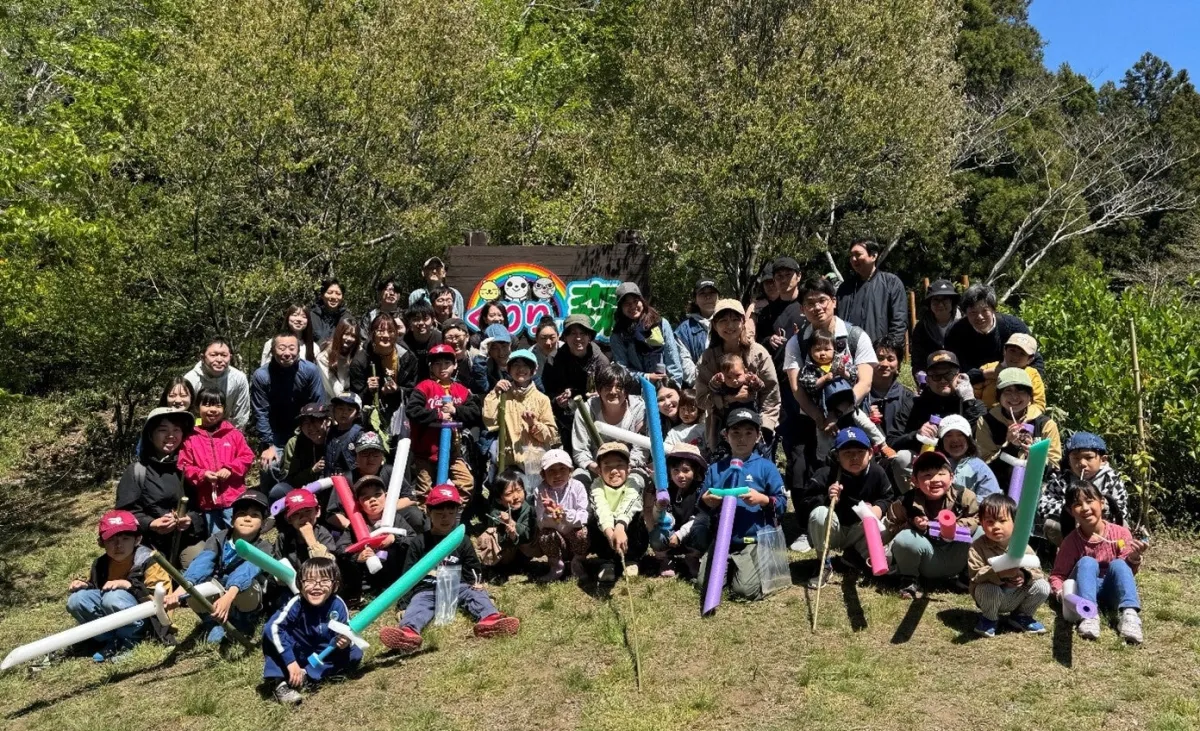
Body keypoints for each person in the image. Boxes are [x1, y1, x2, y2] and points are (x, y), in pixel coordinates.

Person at [379, 484, 519, 652]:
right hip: (427, 590)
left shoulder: (462, 540)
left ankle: (490, 619)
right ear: (429, 512)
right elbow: (408, 575)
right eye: (439, 514)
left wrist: (477, 584)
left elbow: (472, 566)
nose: (445, 518)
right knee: (418, 606)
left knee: (475, 594)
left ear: (457, 513)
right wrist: (403, 604)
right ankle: (408, 633)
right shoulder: (419, 542)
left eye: (451, 513)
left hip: (458, 586)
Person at [783, 277, 876, 491]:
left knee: (855, 476)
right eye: (809, 303)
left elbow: (865, 383)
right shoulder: (796, 343)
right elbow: (797, 388)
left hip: (852, 414)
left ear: (834, 301)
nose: (817, 307)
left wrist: (836, 413)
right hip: (812, 419)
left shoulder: (856, 336)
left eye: (822, 300)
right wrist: (820, 418)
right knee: (806, 475)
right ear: (802, 309)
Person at [698, 408, 787, 602]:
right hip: (723, 540)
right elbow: (702, 502)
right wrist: (707, 501)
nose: (742, 439)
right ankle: (729, 566)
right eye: (736, 433)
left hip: (752, 540)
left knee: (745, 591)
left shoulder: (766, 467)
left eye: (748, 433)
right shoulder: (716, 468)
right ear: (726, 435)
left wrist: (763, 500)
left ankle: (747, 568)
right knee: (703, 584)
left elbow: (782, 504)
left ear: (758, 436)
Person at [164, 490, 274, 643]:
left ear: (263, 523)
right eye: (242, 513)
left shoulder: (264, 547)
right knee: (194, 589)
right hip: (219, 589)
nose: (247, 518)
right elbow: (203, 563)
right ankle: (211, 621)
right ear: (232, 519)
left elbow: (248, 570)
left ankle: (243, 620)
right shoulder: (218, 538)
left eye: (255, 515)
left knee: (249, 586)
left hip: (240, 592)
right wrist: (180, 590)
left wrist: (229, 596)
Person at [66, 510, 174, 660]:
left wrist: (129, 586)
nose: (118, 545)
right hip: (115, 611)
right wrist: (84, 586)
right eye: (111, 540)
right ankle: (111, 640)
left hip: (147, 619)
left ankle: (132, 640)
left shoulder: (149, 560)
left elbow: (161, 600)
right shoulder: (101, 563)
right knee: (77, 600)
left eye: (125, 538)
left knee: (113, 597)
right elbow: (96, 589)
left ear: (137, 539)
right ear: (101, 543)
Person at [1050, 482, 1148, 644]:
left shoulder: (1120, 533)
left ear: (1102, 503)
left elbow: (1127, 573)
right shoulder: (1071, 542)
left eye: (1090, 501)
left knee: (1119, 564)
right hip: (1083, 593)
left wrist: (1134, 557)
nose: (1085, 508)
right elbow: (1057, 576)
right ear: (1070, 511)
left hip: (1111, 591)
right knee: (1087, 562)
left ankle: (1130, 615)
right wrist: (1062, 594)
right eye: (1077, 504)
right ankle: (1089, 615)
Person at [802, 427, 895, 585]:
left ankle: (853, 557)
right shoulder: (826, 473)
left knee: (889, 526)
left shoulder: (877, 472)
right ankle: (824, 563)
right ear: (837, 456)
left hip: (860, 531)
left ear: (870, 453)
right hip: (834, 530)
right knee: (819, 514)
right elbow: (805, 505)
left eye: (860, 452)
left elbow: (888, 497)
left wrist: (877, 509)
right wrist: (827, 499)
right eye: (847, 453)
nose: (854, 458)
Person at [263, 557, 362, 705]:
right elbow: (273, 627)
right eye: (309, 581)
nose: (317, 586)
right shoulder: (296, 603)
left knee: (354, 653)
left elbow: (346, 631)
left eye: (324, 581)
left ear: (335, 586)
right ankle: (279, 682)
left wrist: (345, 641)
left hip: (321, 652)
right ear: (300, 584)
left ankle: (306, 676)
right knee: (272, 637)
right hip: (297, 651)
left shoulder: (338, 604)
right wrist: (291, 662)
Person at [115, 408, 206, 562]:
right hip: (149, 544)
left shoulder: (192, 468)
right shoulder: (137, 471)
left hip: (186, 540)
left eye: (176, 430)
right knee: (151, 571)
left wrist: (190, 520)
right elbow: (124, 514)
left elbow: (202, 508)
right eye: (163, 430)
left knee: (201, 560)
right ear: (150, 435)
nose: (171, 435)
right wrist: (151, 524)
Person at [886, 451, 980, 599]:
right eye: (927, 475)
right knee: (905, 538)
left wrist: (954, 527)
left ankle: (967, 577)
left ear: (951, 477)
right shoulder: (906, 502)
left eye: (941, 474)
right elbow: (892, 526)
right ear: (915, 480)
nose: (935, 480)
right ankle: (910, 579)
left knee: (982, 532)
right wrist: (913, 525)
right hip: (927, 558)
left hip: (957, 553)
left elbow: (976, 518)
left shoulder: (965, 496)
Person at [890, 350, 987, 489]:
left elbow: (983, 432)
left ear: (958, 376)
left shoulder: (969, 402)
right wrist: (916, 435)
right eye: (936, 376)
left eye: (949, 375)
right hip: (925, 467)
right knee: (903, 457)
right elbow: (892, 441)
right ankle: (913, 500)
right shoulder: (914, 404)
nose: (943, 380)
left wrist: (969, 401)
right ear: (927, 379)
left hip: (960, 463)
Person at [696, 299, 781, 450]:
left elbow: (771, 394)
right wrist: (726, 399)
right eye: (723, 321)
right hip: (720, 430)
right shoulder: (707, 358)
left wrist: (765, 427)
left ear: (743, 322)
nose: (730, 326)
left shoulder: (759, 353)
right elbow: (701, 399)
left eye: (735, 320)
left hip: (756, 429)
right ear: (714, 325)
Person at [968, 493, 1050, 637]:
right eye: (990, 521)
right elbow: (975, 574)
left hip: (1017, 594)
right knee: (987, 589)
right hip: (991, 595)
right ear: (981, 523)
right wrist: (998, 573)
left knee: (1042, 586)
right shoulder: (978, 547)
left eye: (1002, 520)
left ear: (1015, 522)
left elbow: (1037, 570)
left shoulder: (1021, 545)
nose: (996, 526)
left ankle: (1021, 616)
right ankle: (989, 618)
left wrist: (1024, 575)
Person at [406, 343, 481, 501]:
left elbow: (475, 412)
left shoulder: (461, 390)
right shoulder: (424, 387)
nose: (442, 367)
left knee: (466, 483)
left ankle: (451, 513)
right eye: (437, 364)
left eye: (447, 363)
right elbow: (412, 410)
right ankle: (426, 516)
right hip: (425, 452)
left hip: (453, 451)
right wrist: (438, 414)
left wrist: (456, 410)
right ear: (431, 367)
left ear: (455, 365)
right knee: (424, 490)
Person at [178, 388, 256, 534]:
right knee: (216, 537)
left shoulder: (234, 434)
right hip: (208, 501)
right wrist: (203, 474)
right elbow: (184, 465)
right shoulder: (191, 438)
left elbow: (247, 457)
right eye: (207, 404)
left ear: (224, 409)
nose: (213, 409)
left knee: (239, 535)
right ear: (197, 407)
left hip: (234, 498)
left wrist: (230, 469)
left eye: (218, 405)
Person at [976, 368, 1062, 491]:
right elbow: (985, 466)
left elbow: (1055, 467)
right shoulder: (986, 422)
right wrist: (1009, 446)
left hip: (1037, 490)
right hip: (998, 489)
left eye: (1021, 390)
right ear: (999, 396)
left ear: (1029, 396)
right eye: (1008, 391)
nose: (1014, 397)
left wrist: (1035, 455)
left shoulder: (1045, 424)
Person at [251, 333, 327, 473]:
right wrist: (268, 445)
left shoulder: (310, 370)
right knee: (270, 465)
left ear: (298, 350)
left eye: (292, 348)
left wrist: (314, 432)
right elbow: (261, 413)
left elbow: (318, 404)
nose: (287, 353)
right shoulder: (261, 376)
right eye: (281, 348)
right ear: (273, 351)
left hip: (306, 429)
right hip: (275, 434)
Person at [1038, 432, 1129, 547]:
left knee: (1123, 526)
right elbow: (1043, 506)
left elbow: (1122, 511)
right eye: (1076, 458)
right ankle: (1069, 551)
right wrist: (1072, 509)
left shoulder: (1111, 480)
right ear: (1068, 460)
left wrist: (1102, 508)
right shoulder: (1061, 481)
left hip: (1104, 529)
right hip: (1071, 531)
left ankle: (1113, 551)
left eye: (1089, 457)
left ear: (1103, 459)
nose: (1082, 463)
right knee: (1051, 524)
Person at [571, 364, 649, 484]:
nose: (613, 391)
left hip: (629, 466)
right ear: (599, 390)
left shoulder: (639, 408)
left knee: (638, 480)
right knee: (578, 478)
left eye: (619, 387)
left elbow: (641, 448)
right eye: (608, 387)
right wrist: (595, 467)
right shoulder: (585, 410)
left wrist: (628, 466)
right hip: (596, 466)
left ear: (626, 391)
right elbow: (580, 450)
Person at [943, 284, 1044, 375]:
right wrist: (985, 374)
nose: (980, 317)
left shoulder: (1013, 327)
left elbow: (1036, 360)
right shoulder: (955, 333)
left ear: (994, 310)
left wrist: (1025, 381)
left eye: (984, 311)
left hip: (1012, 381)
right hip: (972, 384)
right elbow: (952, 369)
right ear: (965, 313)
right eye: (973, 312)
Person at [543, 315, 609, 453]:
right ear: (565, 337)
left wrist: (600, 396)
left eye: (582, 333)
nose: (578, 338)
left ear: (589, 337)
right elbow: (546, 393)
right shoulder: (553, 360)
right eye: (573, 333)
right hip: (565, 420)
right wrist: (557, 400)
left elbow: (610, 391)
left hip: (596, 418)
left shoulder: (601, 361)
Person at [482, 349, 558, 471]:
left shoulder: (542, 399)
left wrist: (534, 424)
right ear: (509, 369)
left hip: (535, 463)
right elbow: (490, 421)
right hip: (508, 462)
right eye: (516, 365)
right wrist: (495, 392)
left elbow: (550, 436)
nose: (521, 369)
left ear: (533, 370)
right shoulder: (502, 394)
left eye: (525, 365)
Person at [350, 313, 417, 435]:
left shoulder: (407, 357)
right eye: (380, 331)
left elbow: (413, 389)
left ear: (396, 334)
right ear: (372, 334)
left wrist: (397, 390)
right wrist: (369, 390)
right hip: (371, 419)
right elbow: (356, 398)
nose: (386, 335)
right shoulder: (360, 361)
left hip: (400, 414)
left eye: (390, 331)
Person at [588, 442, 646, 582]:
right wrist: (610, 533)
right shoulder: (596, 485)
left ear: (628, 468)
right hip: (609, 526)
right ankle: (607, 560)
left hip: (625, 524)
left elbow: (630, 503)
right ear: (599, 470)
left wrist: (620, 527)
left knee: (637, 517)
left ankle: (632, 558)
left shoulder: (634, 482)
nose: (614, 470)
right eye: (607, 466)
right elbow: (601, 509)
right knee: (594, 519)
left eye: (619, 465)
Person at [608, 282, 685, 387]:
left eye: (635, 301)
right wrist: (646, 377)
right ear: (620, 308)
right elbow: (622, 369)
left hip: (665, 387)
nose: (632, 306)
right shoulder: (618, 335)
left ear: (642, 301)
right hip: (636, 390)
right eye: (626, 303)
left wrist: (674, 388)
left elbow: (673, 360)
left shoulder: (661, 324)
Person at [649, 444, 709, 578]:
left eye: (686, 470)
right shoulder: (664, 489)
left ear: (695, 471)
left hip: (689, 533)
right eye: (676, 470)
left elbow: (698, 517)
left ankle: (692, 557)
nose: (680, 475)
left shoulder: (700, 490)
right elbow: (658, 518)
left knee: (702, 530)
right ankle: (665, 558)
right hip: (670, 534)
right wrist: (658, 507)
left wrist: (680, 535)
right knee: (657, 534)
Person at [835, 238, 909, 345]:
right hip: (848, 351)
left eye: (858, 254)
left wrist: (890, 349)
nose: (853, 259)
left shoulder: (891, 283)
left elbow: (899, 321)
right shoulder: (845, 288)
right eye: (851, 255)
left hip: (880, 350)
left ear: (873, 256)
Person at [535, 449, 590, 581]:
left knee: (583, 532)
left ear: (570, 471)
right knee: (545, 534)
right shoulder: (540, 491)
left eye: (562, 469)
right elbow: (540, 522)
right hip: (556, 540)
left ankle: (577, 563)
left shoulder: (578, 487)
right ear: (543, 474)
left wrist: (562, 512)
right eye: (551, 471)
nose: (557, 475)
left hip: (574, 538)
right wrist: (549, 514)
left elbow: (583, 517)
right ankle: (556, 566)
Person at [184, 337, 252, 431]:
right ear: (202, 357)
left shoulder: (239, 378)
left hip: (226, 429)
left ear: (230, 357)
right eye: (213, 355)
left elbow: (241, 414)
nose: (219, 359)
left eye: (224, 355)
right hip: (196, 428)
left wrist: (235, 435)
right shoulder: (190, 379)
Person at [477, 468, 536, 572]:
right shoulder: (496, 513)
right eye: (509, 494)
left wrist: (513, 524)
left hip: (523, 551)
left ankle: (520, 564)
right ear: (499, 499)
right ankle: (496, 565)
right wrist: (505, 526)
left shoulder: (528, 509)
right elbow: (495, 534)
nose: (516, 496)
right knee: (490, 535)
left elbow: (528, 534)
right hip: (505, 552)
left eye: (519, 490)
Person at [273, 490, 337, 582]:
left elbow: (327, 567)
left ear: (317, 511)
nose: (303, 517)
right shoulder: (284, 537)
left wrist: (311, 541)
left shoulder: (323, 534)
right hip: (292, 583)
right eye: (296, 514)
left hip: (319, 583)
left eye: (308, 511)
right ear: (288, 519)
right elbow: (278, 564)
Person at [270, 403, 328, 504]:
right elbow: (290, 478)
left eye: (315, 420)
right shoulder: (295, 443)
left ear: (326, 421)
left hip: (331, 485)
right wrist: (312, 471)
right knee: (278, 491)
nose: (311, 427)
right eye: (305, 423)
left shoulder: (336, 438)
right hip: (304, 485)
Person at [864, 335, 914, 448]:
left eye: (890, 359)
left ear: (899, 364)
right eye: (879, 358)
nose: (884, 364)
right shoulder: (861, 393)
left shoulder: (907, 396)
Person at [973, 333, 1047, 408]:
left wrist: (1026, 414)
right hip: (988, 413)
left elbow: (1039, 404)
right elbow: (974, 396)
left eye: (1022, 354)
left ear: (1030, 359)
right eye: (1012, 350)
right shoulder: (988, 368)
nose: (1015, 356)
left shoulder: (1032, 374)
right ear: (1004, 351)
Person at [936, 414, 1001, 499]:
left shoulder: (979, 468)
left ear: (969, 440)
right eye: (948, 435)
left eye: (960, 434)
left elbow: (991, 501)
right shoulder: (934, 465)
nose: (955, 440)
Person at [754, 257, 805, 364]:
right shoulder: (767, 313)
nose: (784, 280)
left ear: (799, 276)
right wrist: (769, 340)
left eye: (788, 275)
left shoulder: (809, 305)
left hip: (808, 369)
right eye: (779, 276)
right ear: (774, 279)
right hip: (779, 371)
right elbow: (758, 342)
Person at [675, 278, 721, 385]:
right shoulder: (684, 330)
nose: (707, 297)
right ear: (695, 299)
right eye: (702, 293)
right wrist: (703, 384)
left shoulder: (731, 322)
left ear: (719, 297)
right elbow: (684, 363)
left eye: (712, 293)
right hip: (698, 388)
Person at [910, 279, 961, 375]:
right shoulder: (921, 327)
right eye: (936, 300)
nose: (940, 304)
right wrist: (922, 377)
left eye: (945, 299)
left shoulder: (964, 324)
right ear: (929, 303)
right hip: (932, 377)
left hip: (960, 375)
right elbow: (917, 361)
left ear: (952, 302)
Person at [316, 316, 360, 400]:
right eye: (346, 334)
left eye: (353, 336)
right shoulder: (324, 357)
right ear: (339, 333)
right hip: (332, 400)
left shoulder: (356, 352)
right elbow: (333, 387)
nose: (349, 339)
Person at [322, 393, 362, 478]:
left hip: (350, 480)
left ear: (357, 414)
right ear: (333, 410)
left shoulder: (359, 434)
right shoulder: (330, 431)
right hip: (329, 479)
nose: (344, 412)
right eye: (340, 408)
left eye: (350, 409)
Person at [403, 301, 444, 383]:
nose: (421, 323)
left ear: (433, 320)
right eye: (416, 319)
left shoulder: (440, 339)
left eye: (425, 319)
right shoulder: (403, 342)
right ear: (410, 322)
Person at [469, 324, 513, 395]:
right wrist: (481, 356)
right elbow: (480, 388)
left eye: (504, 346)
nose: (501, 352)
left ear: (510, 345)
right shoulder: (484, 367)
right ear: (488, 349)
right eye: (495, 348)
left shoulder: (521, 362)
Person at [358, 277, 403, 343]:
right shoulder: (370, 316)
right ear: (380, 293)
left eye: (395, 291)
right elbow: (363, 339)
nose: (392, 293)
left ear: (399, 296)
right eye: (389, 290)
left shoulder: (404, 317)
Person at [664, 388, 706, 454]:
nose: (686, 413)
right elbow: (665, 449)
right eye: (683, 409)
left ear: (699, 411)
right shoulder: (673, 433)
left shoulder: (704, 428)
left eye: (691, 410)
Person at [309, 279, 349, 345]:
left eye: (338, 294)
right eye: (329, 293)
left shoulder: (347, 319)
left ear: (342, 297)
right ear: (322, 295)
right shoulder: (310, 317)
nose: (333, 297)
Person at [531, 316, 559, 386]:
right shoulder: (530, 355)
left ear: (558, 337)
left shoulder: (567, 352)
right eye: (543, 338)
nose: (548, 343)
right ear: (536, 338)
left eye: (552, 338)